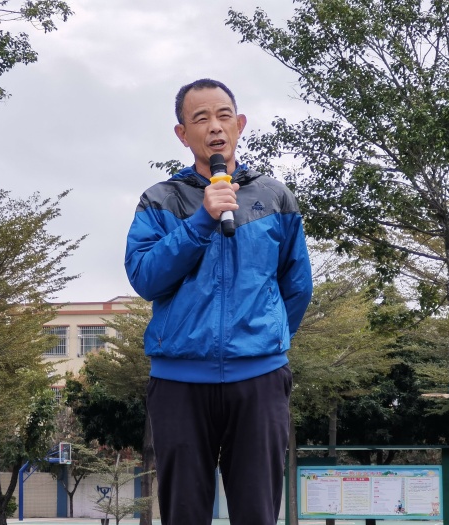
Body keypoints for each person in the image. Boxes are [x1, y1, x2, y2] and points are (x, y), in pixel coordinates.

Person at [124, 78, 313, 525]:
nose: (214, 127)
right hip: (178, 381)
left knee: (258, 513)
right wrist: (202, 221)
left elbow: (297, 285)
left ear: (240, 124)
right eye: (201, 118)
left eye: (224, 115)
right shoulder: (160, 199)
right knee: (183, 514)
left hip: (260, 378)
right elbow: (145, 277)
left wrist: (263, 339)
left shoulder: (275, 197)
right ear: (182, 133)